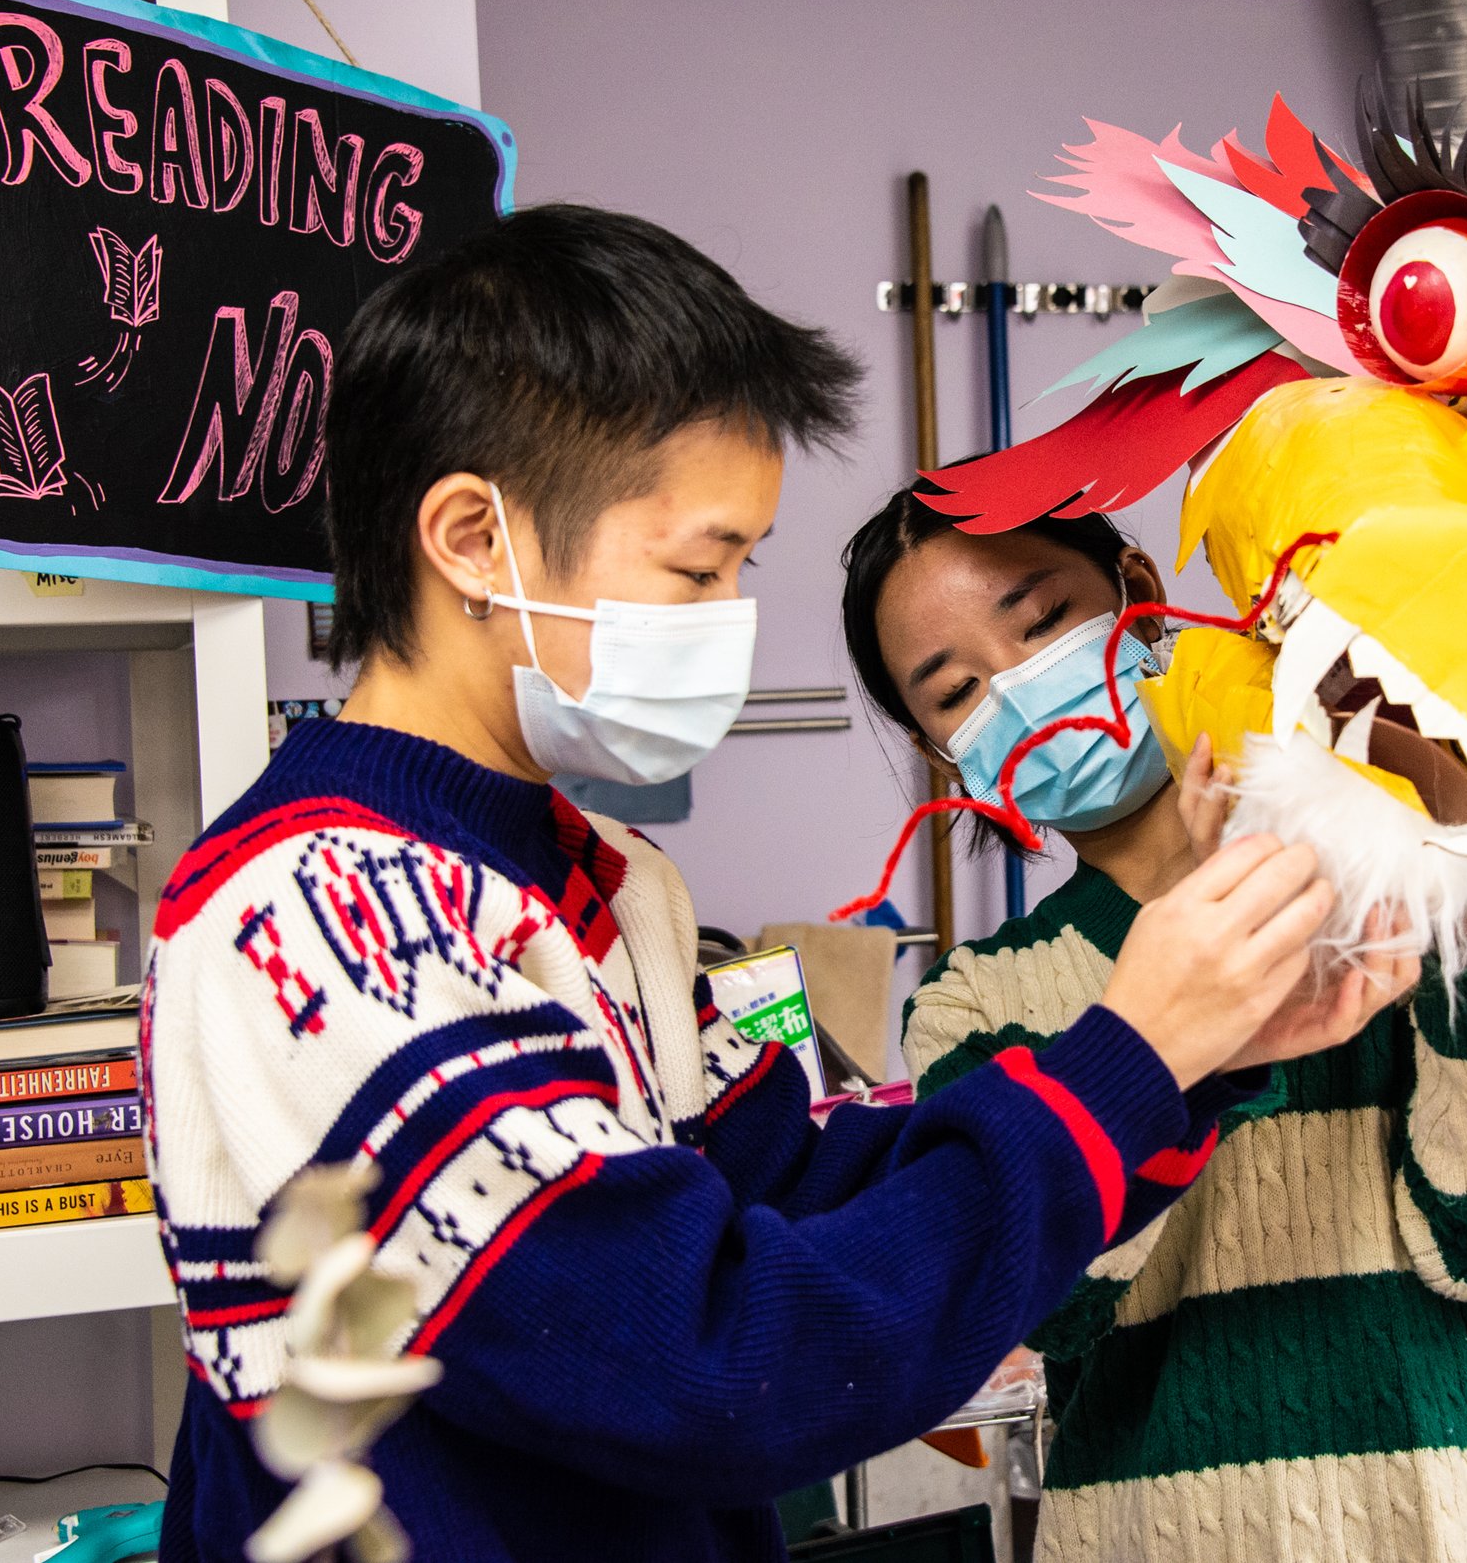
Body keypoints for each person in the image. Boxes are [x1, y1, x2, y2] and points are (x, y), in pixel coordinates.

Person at [142, 205, 1392, 1563]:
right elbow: (716, 1361)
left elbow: (804, 1183)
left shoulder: (613, 886)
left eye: (745, 563)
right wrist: (1124, 1058)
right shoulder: (327, 917)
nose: (731, 616)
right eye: (698, 565)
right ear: (471, 539)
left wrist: (1191, 1057)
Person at [843, 488, 1467, 1563]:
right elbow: (1041, 1308)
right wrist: (1194, 987)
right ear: (943, 750)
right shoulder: (978, 1002)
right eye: (957, 690)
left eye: (1043, 622)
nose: (1023, 689)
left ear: (1138, 594)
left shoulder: (1398, 873)